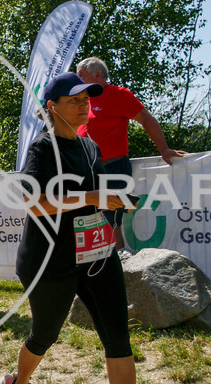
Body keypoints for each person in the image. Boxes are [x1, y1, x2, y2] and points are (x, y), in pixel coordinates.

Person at [1, 72, 175, 384]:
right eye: (75, 98)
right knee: (44, 334)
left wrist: (115, 200)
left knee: (117, 337)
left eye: (87, 98)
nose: (85, 103)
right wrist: (92, 195)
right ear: (52, 107)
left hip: (97, 254)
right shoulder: (43, 149)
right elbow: (34, 203)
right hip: (50, 260)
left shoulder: (91, 146)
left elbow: (94, 198)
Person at [75, 57, 185, 250]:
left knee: (111, 222)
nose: (77, 80)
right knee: (94, 222)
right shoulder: (83, 101)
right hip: (89, 170)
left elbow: (146, 119)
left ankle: (119, 266)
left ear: (97, 74)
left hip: (112, 166)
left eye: (81, 75)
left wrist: (164, 148)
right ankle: (104, 268)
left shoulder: (118, 95)